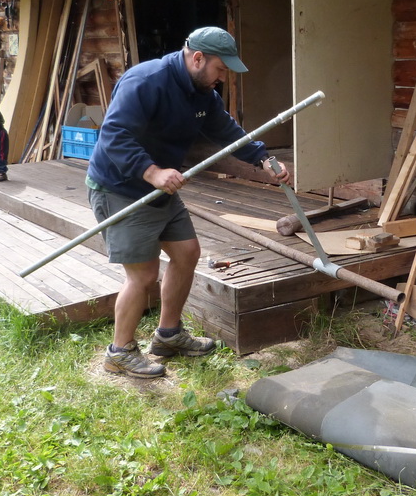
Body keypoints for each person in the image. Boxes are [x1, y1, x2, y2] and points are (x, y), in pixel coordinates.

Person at [87, 26, 289, 378]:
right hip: (121, 188)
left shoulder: (203, 93)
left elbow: (225, 130)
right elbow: (113, 136)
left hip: (161, 190)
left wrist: (261, 158)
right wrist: (152, 172)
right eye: (220, 69)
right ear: (198, 58)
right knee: (143, 275)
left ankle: (168, 336)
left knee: (187, 253)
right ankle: (119, 352)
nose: (222, 78)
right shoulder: (146, 81)